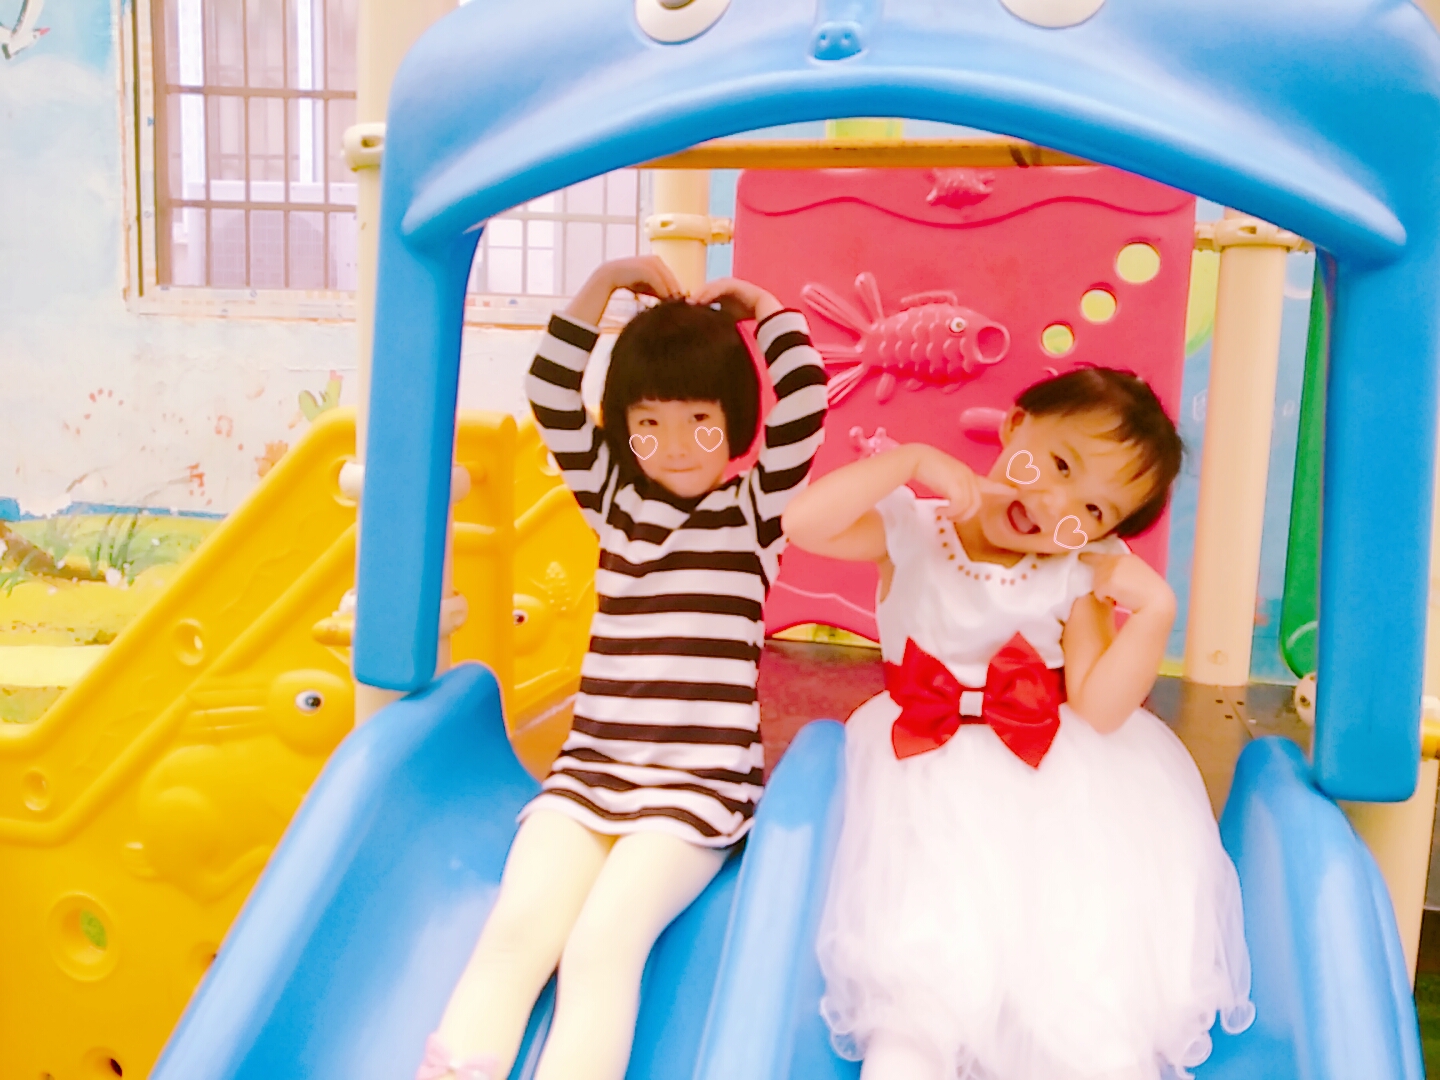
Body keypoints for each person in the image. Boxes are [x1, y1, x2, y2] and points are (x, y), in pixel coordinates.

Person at [416, 256, 828, 1080]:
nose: (674, 446)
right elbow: (549, 390)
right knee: (517, 930)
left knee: (603, 944)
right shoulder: (616, 501)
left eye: (700, 421)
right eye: (648, 423)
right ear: (623, 427)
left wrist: (766, 305)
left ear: (736, 421)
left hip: (696, 790)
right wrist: (604, 284)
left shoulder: (754, 510)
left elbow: (808, 401)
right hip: (591, 774)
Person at [782, 368, 1253, 1080]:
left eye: (1092, 509)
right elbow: (803, 524)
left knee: (1074, 987)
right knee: (918, 975)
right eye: (1057, 464)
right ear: (1014, 425)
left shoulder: (1076, 570)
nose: (1056, 504)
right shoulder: (916, 528)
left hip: (1044, 782)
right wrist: (912, 460)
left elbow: (1099, 708)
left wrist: (1154, 614)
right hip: (916, 770)